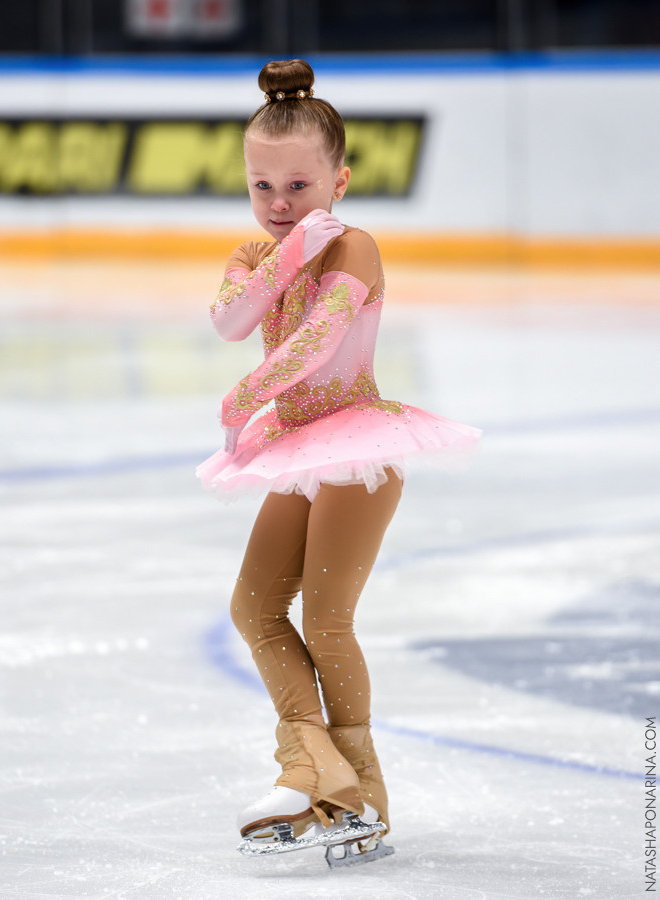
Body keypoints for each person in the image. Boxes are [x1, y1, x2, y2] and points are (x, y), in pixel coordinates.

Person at [196, 59, 481, 861]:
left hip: (357, 448)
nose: (279, 205)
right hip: (296, 449)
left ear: (339, 179)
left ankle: (353, 793)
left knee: (323, 621)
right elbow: (228, 321)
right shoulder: (254, 258)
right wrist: (283, 258)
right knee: (253, 608)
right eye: (262, 187)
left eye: (297, 186)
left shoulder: (354, 248)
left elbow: (315, 348)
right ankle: (322, 774)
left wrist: (242, 397)